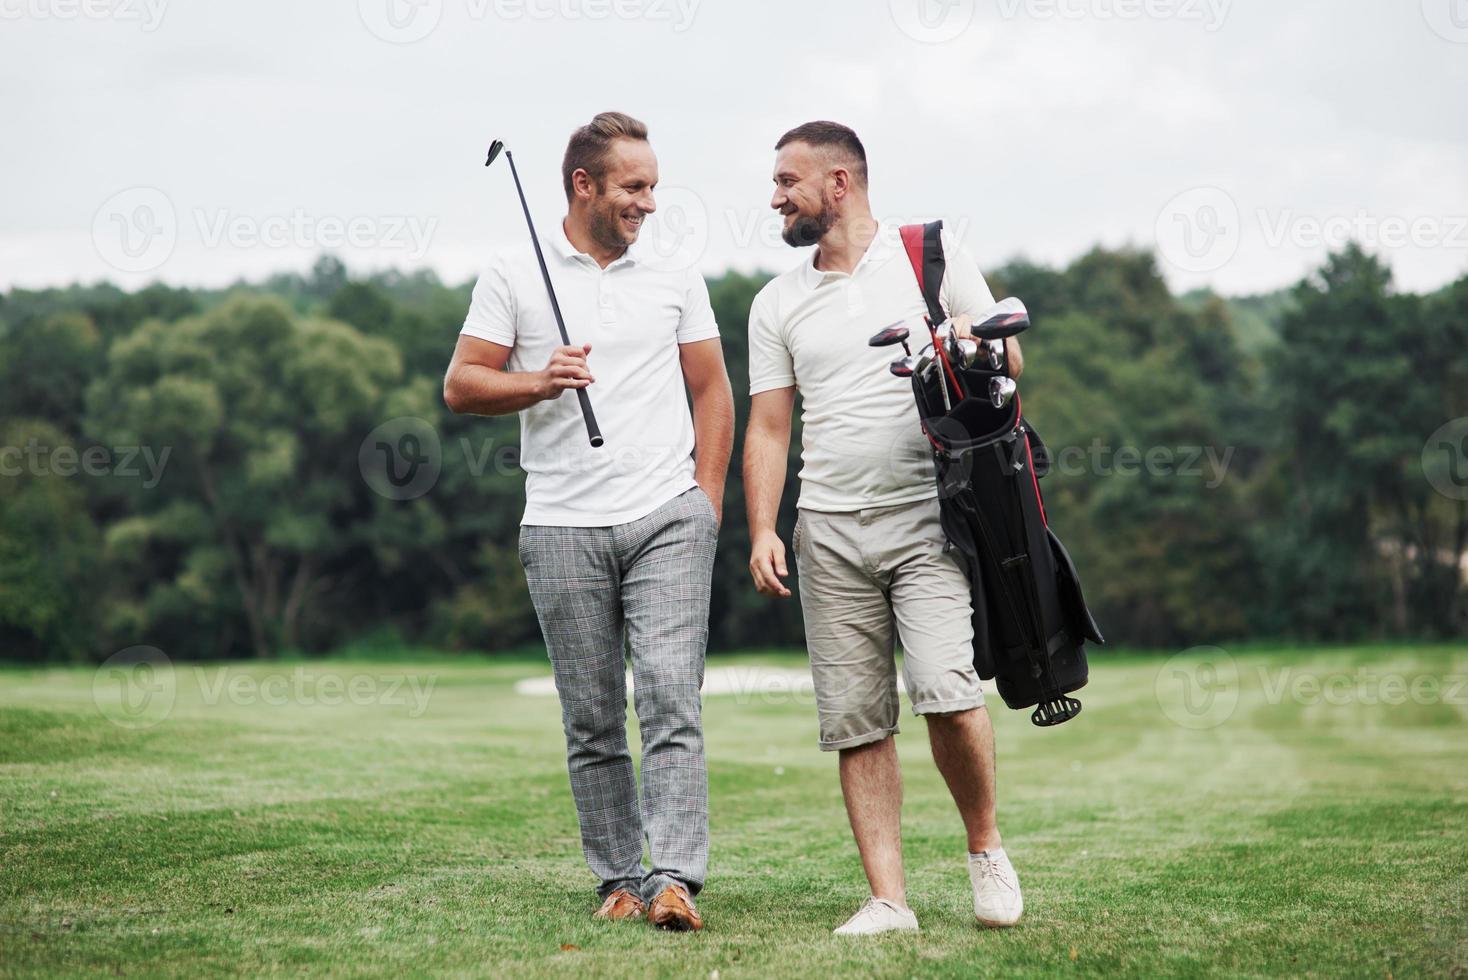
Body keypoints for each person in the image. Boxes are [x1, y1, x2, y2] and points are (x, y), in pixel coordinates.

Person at [444, 111, 734, 932]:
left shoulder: (676, 274)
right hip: (561, 525)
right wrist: (539, 382)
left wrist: (705, 504)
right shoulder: (512, 272)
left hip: (667, 516)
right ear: (584, 185)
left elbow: (712, 390)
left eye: (653, 188)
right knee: (594, 716)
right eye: (634, 188)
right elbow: (463, 385)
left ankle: (675, 878)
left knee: (673, 700)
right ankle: (618, 878)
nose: (648, 204)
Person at [742, 120, 1025, 935]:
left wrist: (971, 345)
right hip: (826, 529)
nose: (776, 198)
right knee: (857, 721)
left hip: (927, 517)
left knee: (947, 692)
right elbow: (768, 426)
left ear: (839, 183)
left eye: (788, 182)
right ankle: (889, 900)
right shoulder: (777, 302)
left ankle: (985, 851)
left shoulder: (929, 255)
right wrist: (763, 527)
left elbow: (1012, 368)